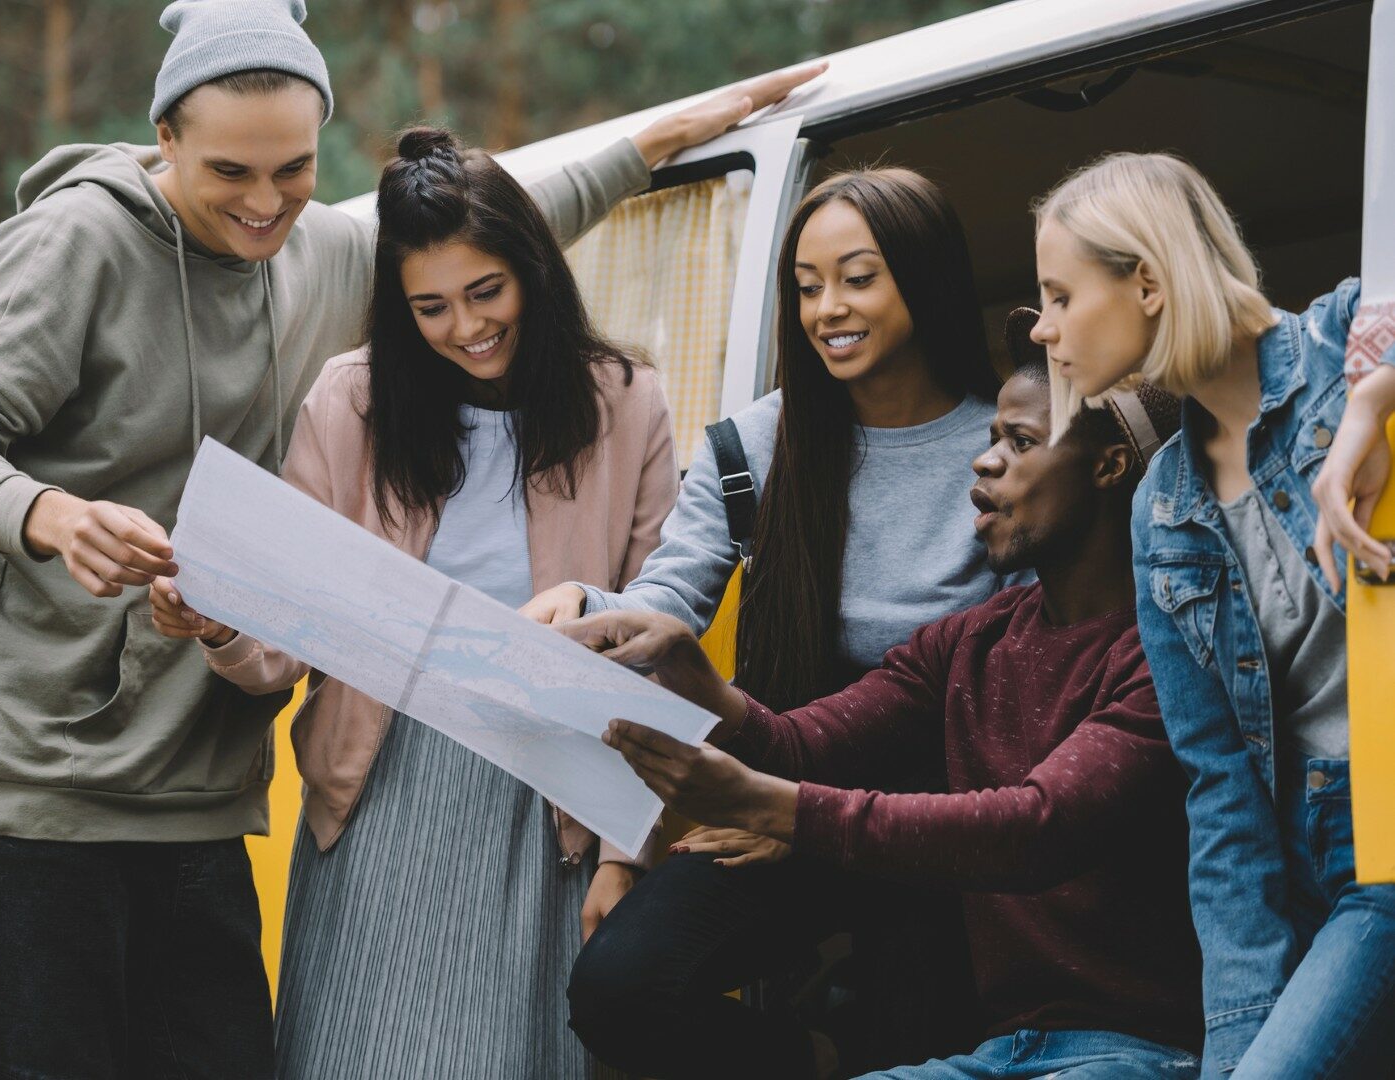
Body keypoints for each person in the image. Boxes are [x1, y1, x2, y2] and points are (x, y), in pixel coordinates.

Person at [0, 0, 823, 1066]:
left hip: (200, 800)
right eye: (230, 172)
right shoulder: (79, 244)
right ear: (164, 141)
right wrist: (47, 515)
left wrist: (649, 145)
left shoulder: (314, 250)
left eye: (291, 168)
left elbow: (483, 236)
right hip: (41, 786)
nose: (264, 201)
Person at [149, 122, 670, 1078]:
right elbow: (284, 628)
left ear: (534, 270)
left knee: (519, 1052)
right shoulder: (351, 403)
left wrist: (623, 852)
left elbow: (654, 628)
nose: (466, 327)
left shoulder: (623, 402)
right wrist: (221, 621)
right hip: (380, 780)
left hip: (550, 795)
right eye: (430, 308)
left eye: (486, 291)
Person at [567, 357, 1202, 1080]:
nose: (984, 460)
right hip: (1002, 1052)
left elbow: (1034, 827)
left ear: (1111, 467)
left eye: (1020, 442)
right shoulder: (970, 640)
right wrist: (698, 681)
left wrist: (768, 806)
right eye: (991, 436)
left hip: (1144, 1053)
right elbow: (802, 745)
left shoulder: (1171, 646)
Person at [522, 166, 1017, 1070]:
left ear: (927, 276)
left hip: (939, 825)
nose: (827, 307)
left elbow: (1021, 684)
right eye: (807, 285)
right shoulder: (751, 448)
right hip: (774, 802)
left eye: (858, 278)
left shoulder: (1007, 452)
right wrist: (586, 609)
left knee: (918, 1047)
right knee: (620, 990)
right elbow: (666, 601)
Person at [1030, 151, 1395, 1076]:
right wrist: (1235, 1036)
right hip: (1317, 858)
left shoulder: (1347, 338)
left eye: (1061, 296)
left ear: (1147, 282)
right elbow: (1223, 797)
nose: (1043, 328)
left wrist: (1370, 406)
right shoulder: (1162, 508)